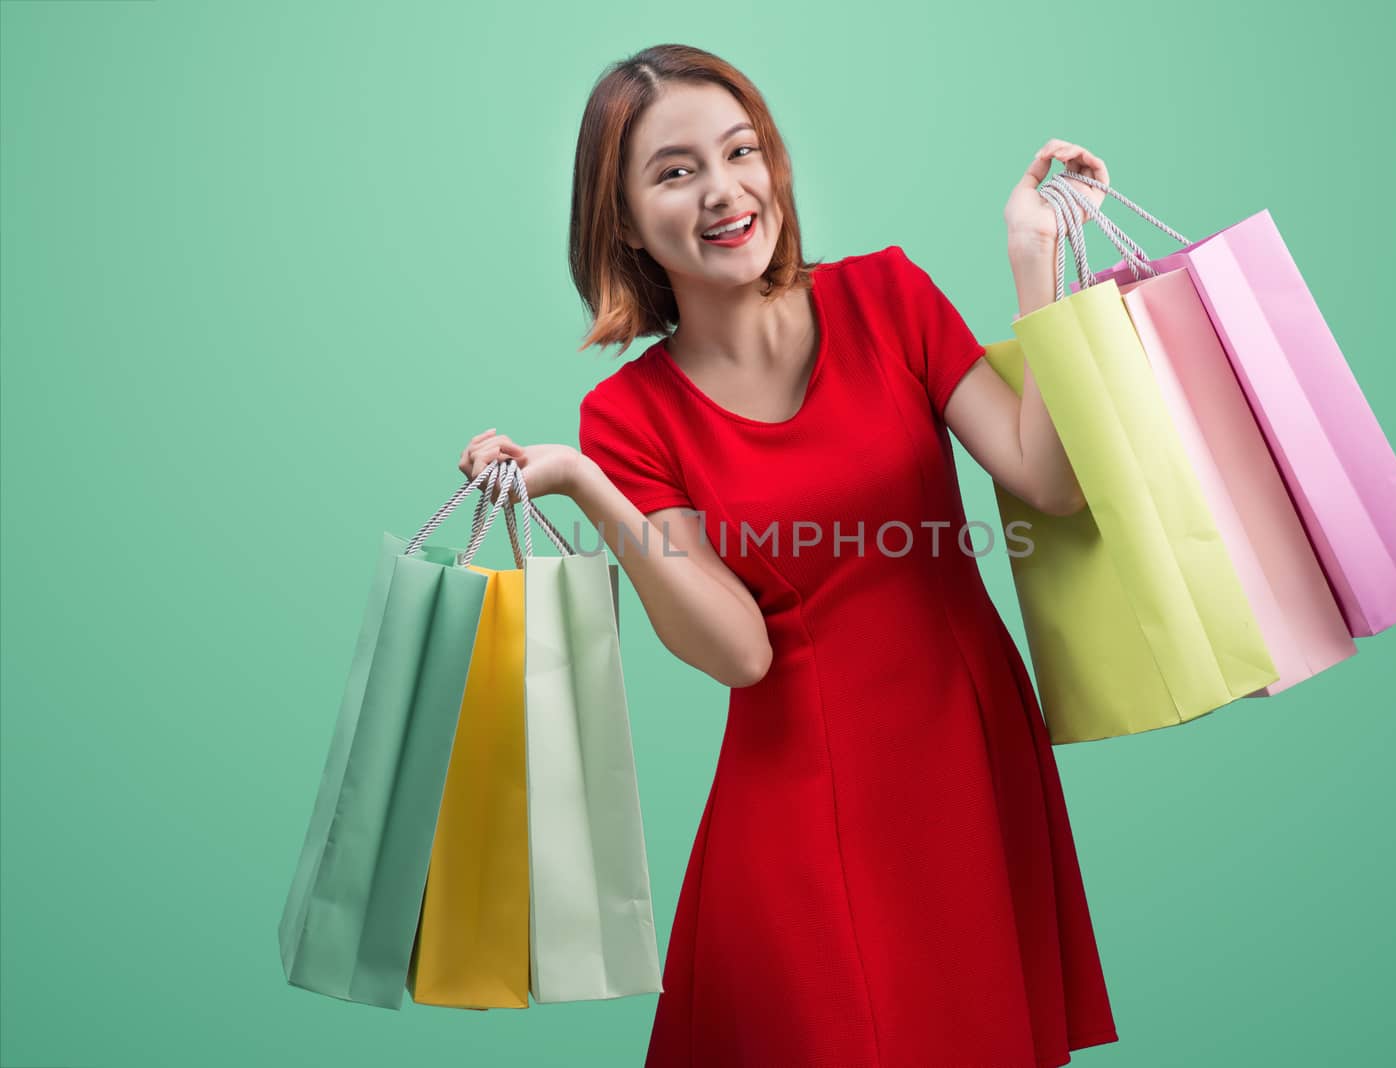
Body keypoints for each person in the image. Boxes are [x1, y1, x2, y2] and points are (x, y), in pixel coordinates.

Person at [458, 43, 1120, 1068]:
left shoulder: (888, 297)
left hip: (967, 755)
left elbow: (1048, 477)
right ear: (624, 220)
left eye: (741, 151)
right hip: (796, 802)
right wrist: (591, 485)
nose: (724, 191)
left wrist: (1030, 259)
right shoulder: (627, 418)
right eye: (676, 172)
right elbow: (737, 653)